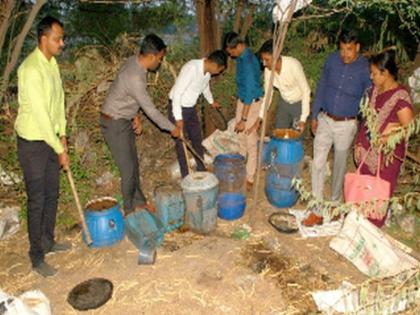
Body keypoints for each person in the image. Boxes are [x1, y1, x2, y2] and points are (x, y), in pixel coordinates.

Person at [15, 16, 71, 277]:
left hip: (50, 139)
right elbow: (39, 114)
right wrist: (58, 149)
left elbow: (58, 103)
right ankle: (36, 257)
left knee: (52, 194)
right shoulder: (30, 70)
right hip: (32, 143)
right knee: (37, 199)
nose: (62, 43)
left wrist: (63, 136)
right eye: (58, 38)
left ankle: (48, 241)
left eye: (62, 38)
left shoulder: (52, 64)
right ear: (44, 39)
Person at [100, 34, 181, 216]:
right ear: (152, 56)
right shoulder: (135, 76)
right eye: (160, 58)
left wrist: (135, 115)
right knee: (127, 170)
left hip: (122, 118)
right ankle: (129, 211)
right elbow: (151, 111)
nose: (160, 62)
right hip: (113, 122)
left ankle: (139, 202)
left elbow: (126, 93)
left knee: (133, 164)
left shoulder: (133, 62)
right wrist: (172, 127)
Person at [303, 29, 371, 226]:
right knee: (317, 163)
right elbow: (322, 86)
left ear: (357, 47)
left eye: (349, 50)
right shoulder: (332, 60)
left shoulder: (365, 69)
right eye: (342, 49)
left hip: (347, 123)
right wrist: (314, 114)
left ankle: (334, 205)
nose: (345, 54)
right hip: (325, 119)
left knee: (340, 166)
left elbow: (368, 99)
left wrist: (364, 129)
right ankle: (316, 209)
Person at [354, 51, 414, 228]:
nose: (371, 77)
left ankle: (371, 233)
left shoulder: (400, 97)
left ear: (385, 73)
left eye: (374, 73)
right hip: (367, 154)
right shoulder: (374, 91)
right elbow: (366, 120)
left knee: (377, 200)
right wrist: (359, 142)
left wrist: (392, 131)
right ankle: (359, 230)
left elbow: (410, 128)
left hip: (386, 159)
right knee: (363, 195)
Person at [168, 50, 227, 178]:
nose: (219, 73)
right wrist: (178, 118)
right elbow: (177, 93)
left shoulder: (207, 73)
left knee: (196, 137)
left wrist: (211, 102)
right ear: (214, 65)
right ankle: (186, 175)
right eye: (220, 70)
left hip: (190, 108)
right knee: (181, 142)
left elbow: (205, 87)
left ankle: (201, 168)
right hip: (177, 107)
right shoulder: (191, 68)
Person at [223, 32, 263, 190]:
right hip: (243, 102)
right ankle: (241, 170)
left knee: (250, 140)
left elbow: (250, 93)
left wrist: (244, 119)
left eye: (231, 50)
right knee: (240, 138)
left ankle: (250, 178)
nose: (230, 54)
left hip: (251, 104)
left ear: (239, 46)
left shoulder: (248, 61)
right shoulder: (241, 58)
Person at [250, 39, 311, 132]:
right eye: (262, 60)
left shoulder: (293, 65)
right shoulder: (268, 71)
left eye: (267, 60)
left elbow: (306, 91)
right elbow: (268, 95)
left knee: (296, 135)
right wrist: (260, 118)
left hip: (298, 104)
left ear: (276, 56)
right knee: (279, 132)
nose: (264, 64)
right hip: (284, 102)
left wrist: (303, 119)